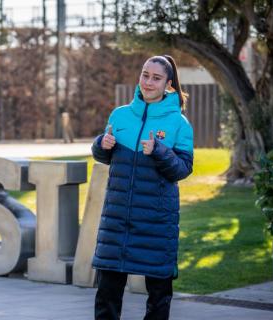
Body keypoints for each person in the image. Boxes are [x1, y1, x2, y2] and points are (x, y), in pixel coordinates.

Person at [91, 55, 194, 320]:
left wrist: (159, 151)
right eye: (145, 75)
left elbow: (182, 169)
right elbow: (105, 156)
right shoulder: (120, 115)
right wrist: (101, 144)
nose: (148, 82)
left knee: (159, 298)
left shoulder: (179, 124)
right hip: (116, 221)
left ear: (168, 84)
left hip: (156, 223)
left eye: (156, 78)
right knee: (106, 296)